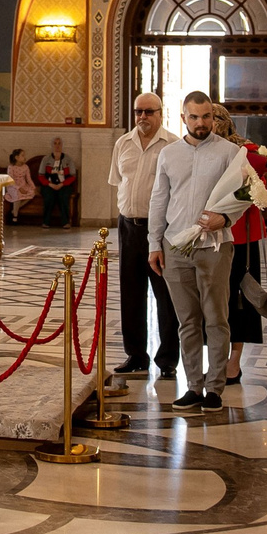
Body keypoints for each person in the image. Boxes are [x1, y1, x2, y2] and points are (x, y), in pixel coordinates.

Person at [148, 92, 245, 412]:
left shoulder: (231, 153)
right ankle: (193, 386)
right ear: (183, 117)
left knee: (216, 318)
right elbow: (159, 200)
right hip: (175, 248)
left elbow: (245, 196)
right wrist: (154, 244)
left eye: (206, 117)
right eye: (194, 117)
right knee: (186, 320)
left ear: (213, 119)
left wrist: (226, 217)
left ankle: (215, 388)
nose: (201, 123)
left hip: (215, 247)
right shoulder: (169, 154)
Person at [109, 92, 179, 379]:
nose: (142, 117)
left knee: (166, 296)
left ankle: (168, 360)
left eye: (149, 112)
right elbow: (117, 182)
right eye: (138, 112)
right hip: (128, 226)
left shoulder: (173, 145)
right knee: (131, 292)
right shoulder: (122, 143)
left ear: (161, 113)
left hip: (160, 230)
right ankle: (136, 355)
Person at [215, 105, 267, 385]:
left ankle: (234, 361)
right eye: (204, 118)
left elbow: (260, 175)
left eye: (215, 118)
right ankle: (216, 358)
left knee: (239, 301)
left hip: (242, 235)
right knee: (214, 299)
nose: (210, 124)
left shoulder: (247, 150)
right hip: (210, 235)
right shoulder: (200, 149)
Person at [38, 137, 76, 228]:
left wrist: (61, 184)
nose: (57, 146)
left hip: (64, 185)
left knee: (63, 197)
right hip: (49, 185)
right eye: (55, 143)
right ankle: (46, 222)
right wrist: (50, 184)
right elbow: (41, 176)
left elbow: (73, 176)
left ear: (62, 145)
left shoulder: (68, 159)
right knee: (49, 197)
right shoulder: (46, 159)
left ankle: (65, 222)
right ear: (52, 145)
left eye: (59, 143)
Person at [3, 146, 38, 227]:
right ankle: (15, 216)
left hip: (23, 185)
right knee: (17, 195)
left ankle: (13, 211)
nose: (24, 157)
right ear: (17, 157)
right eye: (22, 155)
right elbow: (10, 180)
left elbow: (28, 179)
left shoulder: (25, 167)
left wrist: (33, 188)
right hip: (13, 186)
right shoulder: (11, 167)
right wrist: (19, 188)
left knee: (32, 193)